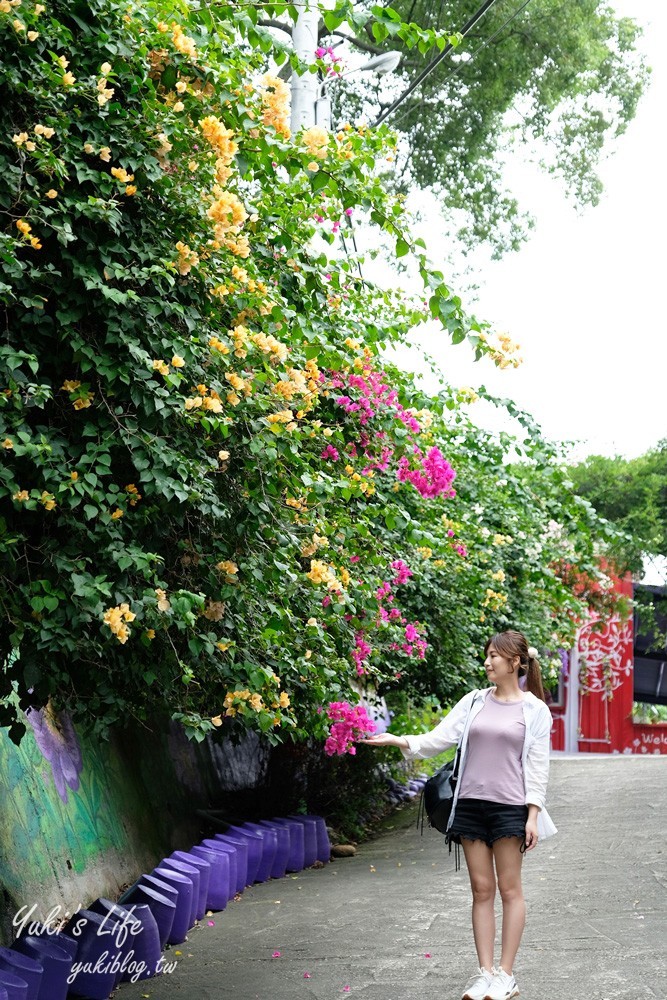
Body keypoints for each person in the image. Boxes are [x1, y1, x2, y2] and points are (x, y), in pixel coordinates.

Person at [359, 629, 557, 1000]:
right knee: (482, 890)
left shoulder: (535, 710)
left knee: (510, 889)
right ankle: (484, 974)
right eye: (486, 656)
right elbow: (439, 738)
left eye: (494, 657)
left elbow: (537, 766)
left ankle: (506, 975)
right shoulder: (474, 702)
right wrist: (399, 740)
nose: (487, 662)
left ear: (515, 662)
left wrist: (532, 814)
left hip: (509, 809)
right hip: (469, 805)